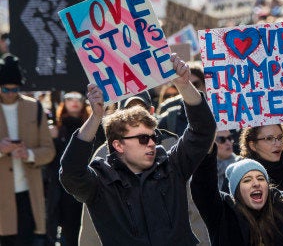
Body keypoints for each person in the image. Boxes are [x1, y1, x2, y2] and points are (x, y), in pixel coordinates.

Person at [60, 54, 216, 245]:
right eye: (142, 139)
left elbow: (203, 130)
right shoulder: (101, 183)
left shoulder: (173, 166)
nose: (152, 143)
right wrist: (95, 117)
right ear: (118, 145)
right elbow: (70, 173)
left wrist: (183, 85)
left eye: (152, 137)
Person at [78, 90, 209, 246]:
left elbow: (189, 199)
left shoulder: (171, 145)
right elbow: (93, 212)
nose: (136, 117)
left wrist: (202, 240)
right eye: (129, 112)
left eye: (141, 110)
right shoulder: (103, 154)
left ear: (151, 112)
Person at [190, 102, 283, 246]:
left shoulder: (282, 209)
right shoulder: (223, 215)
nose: (256, 183)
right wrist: (207, 133)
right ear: (235, 191)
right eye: (246, 180)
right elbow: (203, 185)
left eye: (260, 178)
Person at [0, 54, 55, 245]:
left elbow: (49, 150)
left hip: (28, 194)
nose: (10, 93)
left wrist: (29, 154)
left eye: (15, 89)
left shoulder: (34, 108)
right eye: (5, 88)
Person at [45, 92, 90, 246]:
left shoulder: (92, 126)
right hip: (63, 187)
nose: (74, 102)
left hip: (86, 182)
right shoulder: (56, 129)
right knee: (68, 230)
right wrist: (51, 137)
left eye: (78, 99)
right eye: (70, 99)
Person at [236, 123, 283, 191]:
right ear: (253, 146)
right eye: (269, 138)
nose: (278, 144)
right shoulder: (239, 177)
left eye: (280, 137)